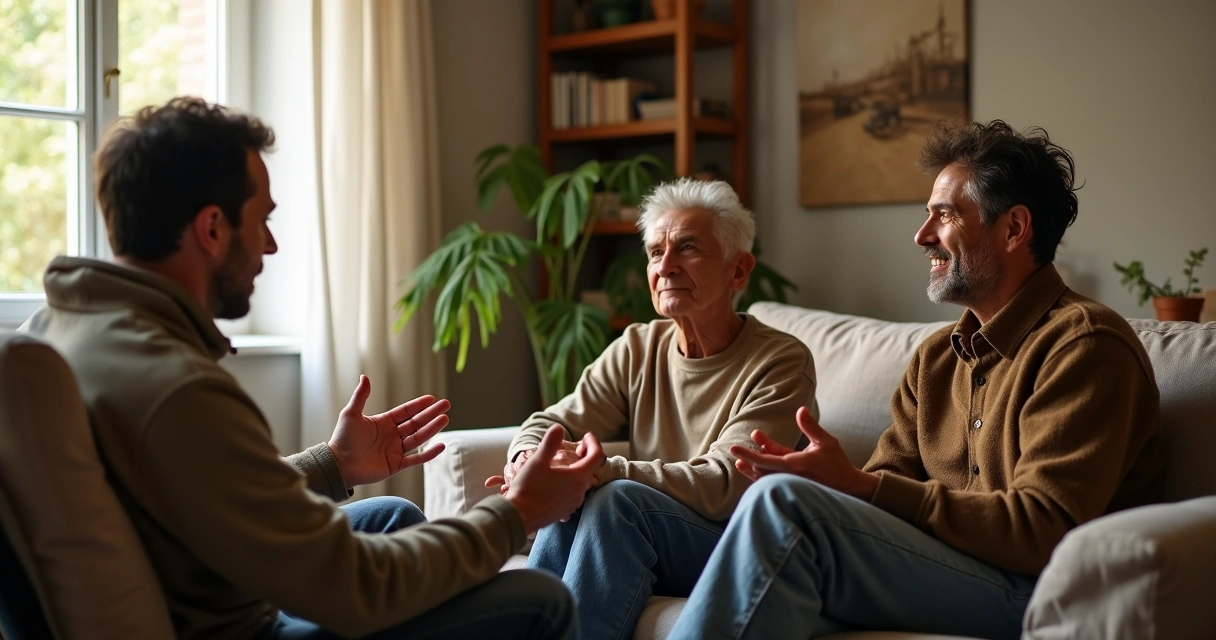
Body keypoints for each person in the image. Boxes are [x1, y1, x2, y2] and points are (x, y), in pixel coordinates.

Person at [21, 97, 604, 640]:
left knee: (394, 516)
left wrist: (335, 464)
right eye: (262, 220)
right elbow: (355, 588)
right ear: (214, 229)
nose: (270, 246)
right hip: (241, 627)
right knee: (539, 599)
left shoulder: (63, 330)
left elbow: (197, 491)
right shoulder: (177, 387)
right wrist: (515, 512)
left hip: (204, 581)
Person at [667, 121, 1165, 640]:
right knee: (766, 503)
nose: (922, 235)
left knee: (786, 509)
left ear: (1014, 229)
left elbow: (1044, 530)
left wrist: (858, 486)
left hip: (1043, 588)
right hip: (943, 568)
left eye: (945, 214)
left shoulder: (1084, 346)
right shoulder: (935, 360)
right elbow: (885, 482)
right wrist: (829, 480)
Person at [486, 178, 818, 640]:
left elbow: (727, 483)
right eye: (654, 252)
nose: (665, 266)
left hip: (735, 540)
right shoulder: (639, 347)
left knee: (614, 498)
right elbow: (551, 422)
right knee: (578, 498)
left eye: (687, 248)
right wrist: (531, 459)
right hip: (649, 534)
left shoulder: (782, 361)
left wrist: (598, 469)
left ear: (738, 271)